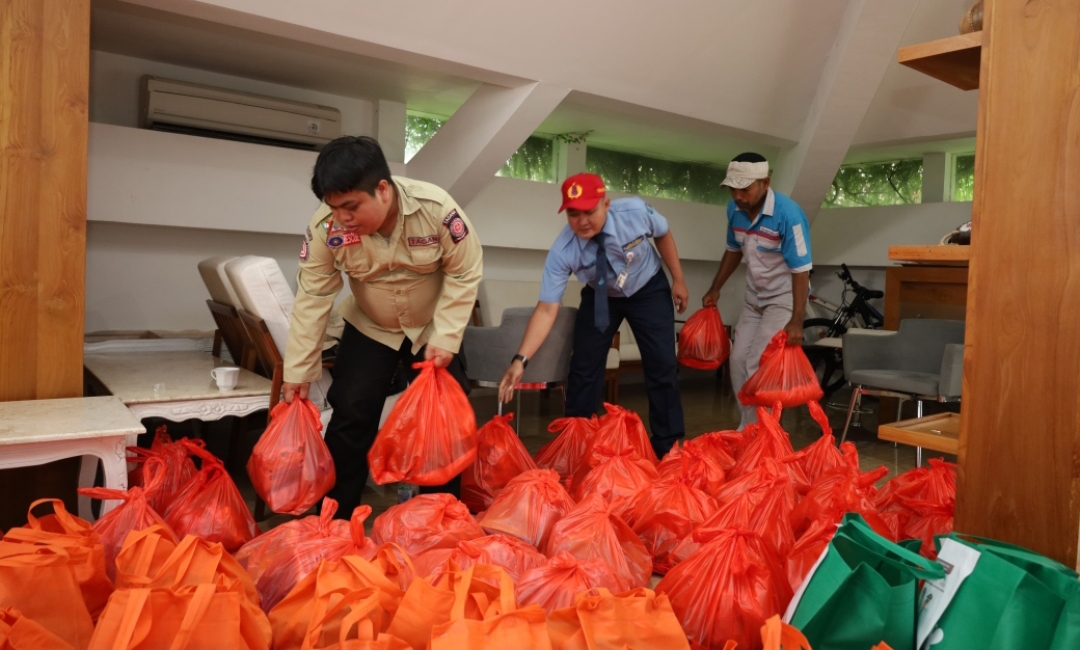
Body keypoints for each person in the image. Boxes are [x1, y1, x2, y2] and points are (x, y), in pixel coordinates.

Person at [281, 135, 482, 518]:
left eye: (351, 206)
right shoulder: (326, 228)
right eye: (334, 207)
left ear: (383, 189)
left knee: (442, 425)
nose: (342, 217)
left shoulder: (436, 209)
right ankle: (334, 519)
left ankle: (438, 518)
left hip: (431, 327)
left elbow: (465, 271)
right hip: (371, 325)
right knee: (351, 414)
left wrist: (447, 336)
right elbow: (313, 296)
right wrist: (298, 369)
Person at [498, 172, 689, 458]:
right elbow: (547, 308)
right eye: (573, 214)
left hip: (647, 287)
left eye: (589, 212)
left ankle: (668, 447)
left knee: (662, 365)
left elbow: (662, 232)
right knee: (583, 369)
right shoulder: (563, 250)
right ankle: (577, 446)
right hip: (602, 296)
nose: (582, 221)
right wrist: (519, 360)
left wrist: (678, 279)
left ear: (606, 205)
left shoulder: (634, 212)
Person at [702, 152, 812, 430]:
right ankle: (750, 427)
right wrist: (715, 288)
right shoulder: (734, 211)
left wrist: (797, 320)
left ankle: (764, 431)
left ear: (765, 182)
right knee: (738, 360)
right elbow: (732, 251)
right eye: (733, 189)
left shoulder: (789, 215)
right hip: (754, 298)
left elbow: (801, 270)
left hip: (784, 298)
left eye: (745, 188)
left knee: (758, 363)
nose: (738, 196)